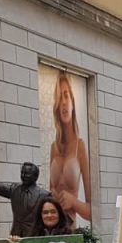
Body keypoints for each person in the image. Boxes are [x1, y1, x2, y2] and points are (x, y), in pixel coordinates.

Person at [48, 71, 92, 229]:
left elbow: (93, 211)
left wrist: (73, 202)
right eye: (59, 98)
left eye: (66, 96)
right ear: (56, 106)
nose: (63, 103)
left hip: (70, 229)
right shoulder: (54, 147)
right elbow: (47, 198)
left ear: (73, 102)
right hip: (51, 229)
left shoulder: (80, 146)